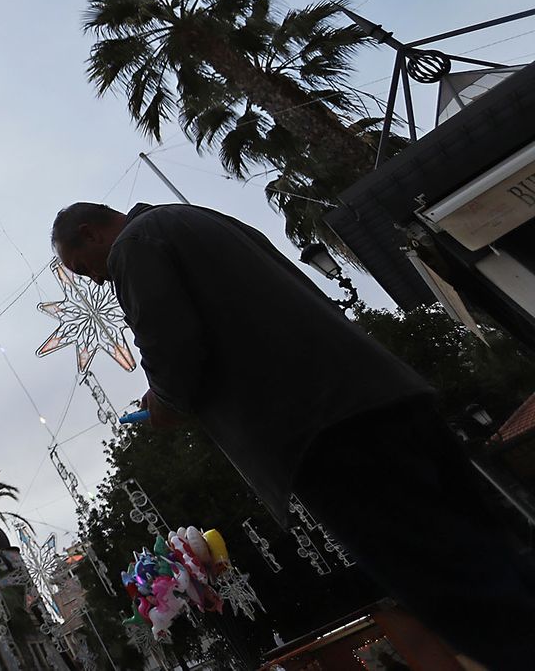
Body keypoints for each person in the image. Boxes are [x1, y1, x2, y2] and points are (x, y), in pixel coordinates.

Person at [50, 200, 535, 670]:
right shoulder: (202, 218)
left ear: (92, 234)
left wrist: (162, 405)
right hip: (385, 395)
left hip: (318, 433)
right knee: (491, 548)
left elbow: (174, 355)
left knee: (447, 583)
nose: (96, 276)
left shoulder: (134, 246)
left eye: (83, 264)